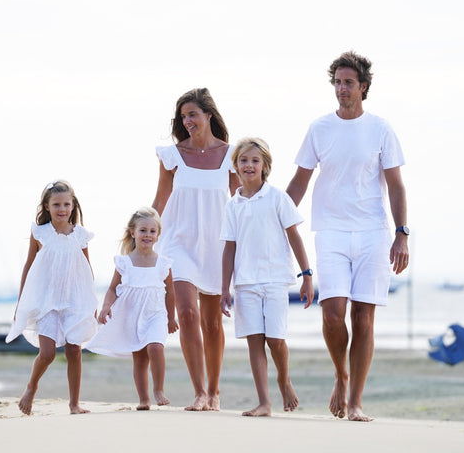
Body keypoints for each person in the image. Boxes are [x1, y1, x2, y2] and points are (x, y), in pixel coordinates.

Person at [286, 51, 409, 422]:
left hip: (373, 231)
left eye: (348, 83)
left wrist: (401, 234)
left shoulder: (381, 129)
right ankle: (341, 373)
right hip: (331, 231)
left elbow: (396, 187)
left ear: (363, 87)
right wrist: (272, 218)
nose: (342, 88)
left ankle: (355, 401)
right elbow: (299, 183)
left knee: (364, 318)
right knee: (333, 314)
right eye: (337, 82)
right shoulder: (319, 128)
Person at [152, 87, 240, 411]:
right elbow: (160, 201)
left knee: (213, 323)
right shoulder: (172, 156)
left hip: (217, 246)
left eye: (192, 114)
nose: (187, 121)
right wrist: (141, 239)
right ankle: (200, 391)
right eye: (183, 116)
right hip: (179, 243)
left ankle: (215, 392)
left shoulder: (232, 156)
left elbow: (241, 204)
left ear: (209, 116)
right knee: (187, 313)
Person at [220, 137, 314, 417]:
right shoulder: (232, 205)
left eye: (255, 160)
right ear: (236, 166)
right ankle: (264, 402)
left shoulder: (277, 198)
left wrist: (307, 275)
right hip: (245, 283)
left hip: (275, 280)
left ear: (265, 166)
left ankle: (283, 379)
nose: (249, 165)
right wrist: (224, 287)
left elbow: (294, 236)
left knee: (275, 340)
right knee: (254, 340)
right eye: (244, 160)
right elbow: (229, 246)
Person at [6, 180, 99, 415]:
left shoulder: (80, 235)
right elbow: (28, 266)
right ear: (47, 206)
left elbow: (87, 269)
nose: (62, 209)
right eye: (56, 204)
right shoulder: (40, 233)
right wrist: (21, 302)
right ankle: (31, 387)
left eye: (66, 204)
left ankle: (74, 404)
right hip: (46, 301)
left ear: (73, 205)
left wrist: (91, 303)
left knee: (74, 351)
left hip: (75, 300)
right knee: (47, 353)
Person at [88, 207, 179, 410]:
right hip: (132, 316)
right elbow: (112, 289)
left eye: (152, 231)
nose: (147, 235)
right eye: (143, 230)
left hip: (156, 314)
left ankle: (158, 389)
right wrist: (105, 307)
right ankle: (144, 399)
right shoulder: (124, 262)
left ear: (158, 235)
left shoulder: (163, 263)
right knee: (139, 359)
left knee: (155, 347)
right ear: (133, 233)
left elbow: (171, 293)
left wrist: (171, 318)